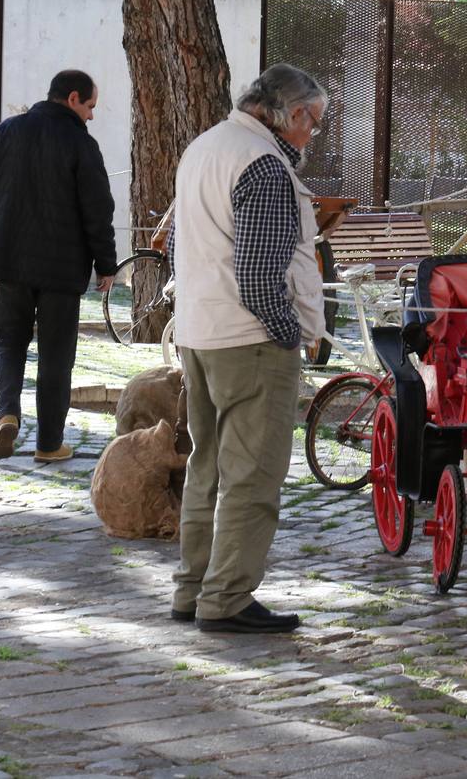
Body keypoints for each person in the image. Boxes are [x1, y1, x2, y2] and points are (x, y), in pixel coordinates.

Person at [169, 64, 327, 634]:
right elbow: (261, 276)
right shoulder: (261, 163)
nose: (314, 133)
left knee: (207, 465)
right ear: (289, 113)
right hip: (248, 339)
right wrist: (286, 332)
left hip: (201, 330)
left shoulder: (205, 147)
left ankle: (194, 590)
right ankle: (227, 597)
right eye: (313, 120)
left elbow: (176, 248)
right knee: (251, 475)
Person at [0, 69, 117, 463]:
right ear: (73, 98)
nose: (92, 116)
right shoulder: (81, 144)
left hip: (9, 262)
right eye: (91, 106)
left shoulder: (6, 132)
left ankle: (6, 411)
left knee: (8, 342)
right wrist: (106, 263)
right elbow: (98, 208)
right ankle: (48, 444)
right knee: (57, 356)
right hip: (61, 269)